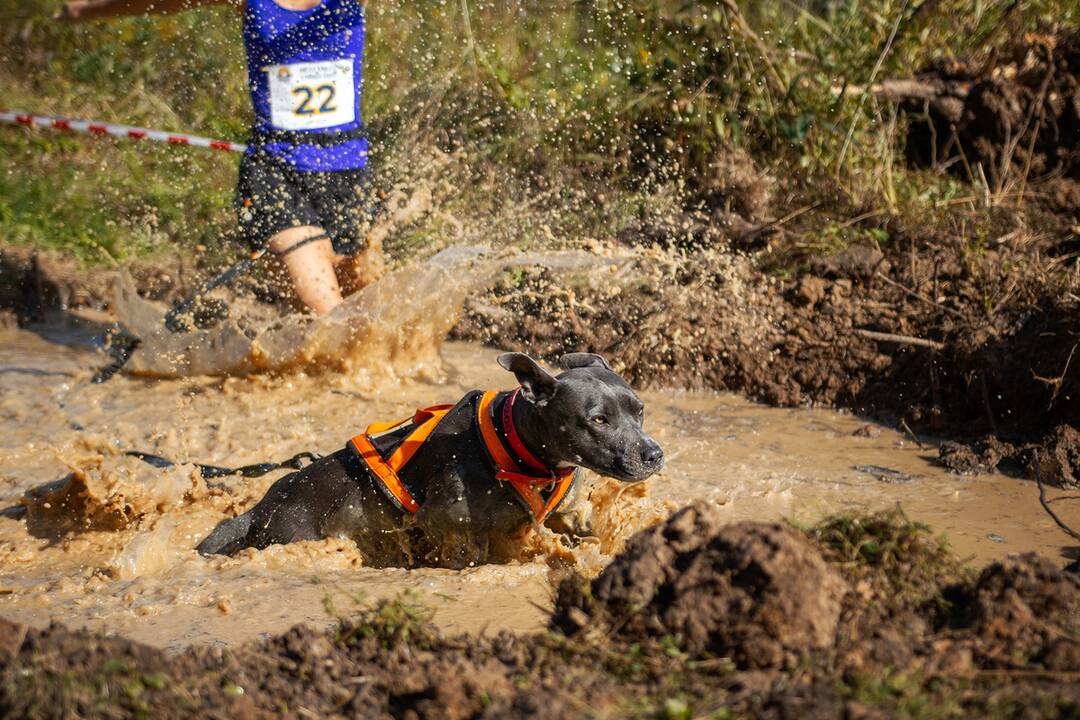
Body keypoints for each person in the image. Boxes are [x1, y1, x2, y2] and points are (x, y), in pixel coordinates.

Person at [57, 0, 382, 316]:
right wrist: (87, 8)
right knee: (323, 311)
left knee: (363, 310)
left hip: (348, 177)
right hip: (277, 176)